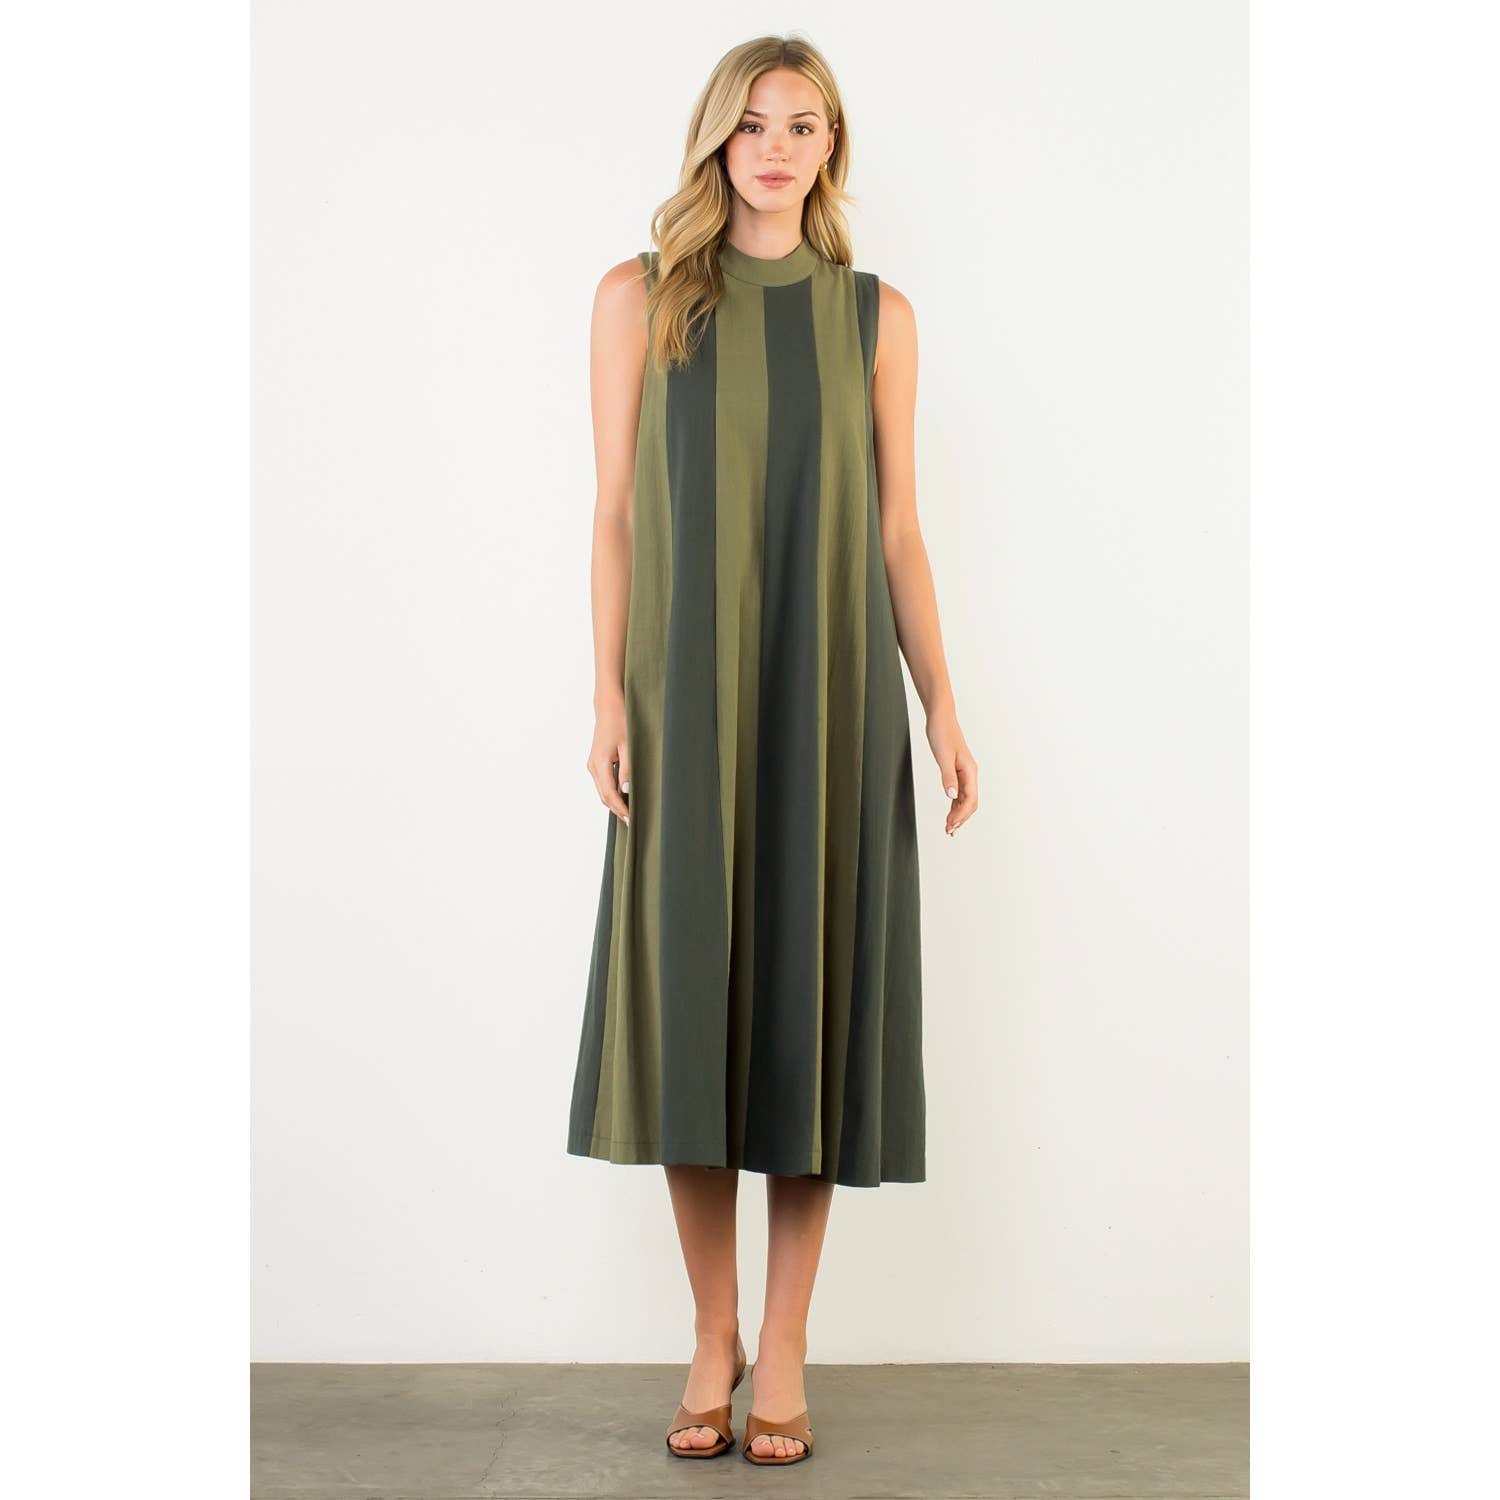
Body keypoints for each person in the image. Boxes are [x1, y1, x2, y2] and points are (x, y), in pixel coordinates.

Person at [566, 33, 978, 1466]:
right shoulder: (639, 298)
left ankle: (786, 1344)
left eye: (802, 125)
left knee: (808, 1011)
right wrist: (609, 697)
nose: (776, 149)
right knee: (690, 1012)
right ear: (716, 142)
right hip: (683, 699)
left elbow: (898, 529)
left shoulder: (877, 318)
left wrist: (941, 701)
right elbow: (615, 511)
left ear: (831, 147)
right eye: (752, 124)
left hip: (830, 695)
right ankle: (713, 1332)